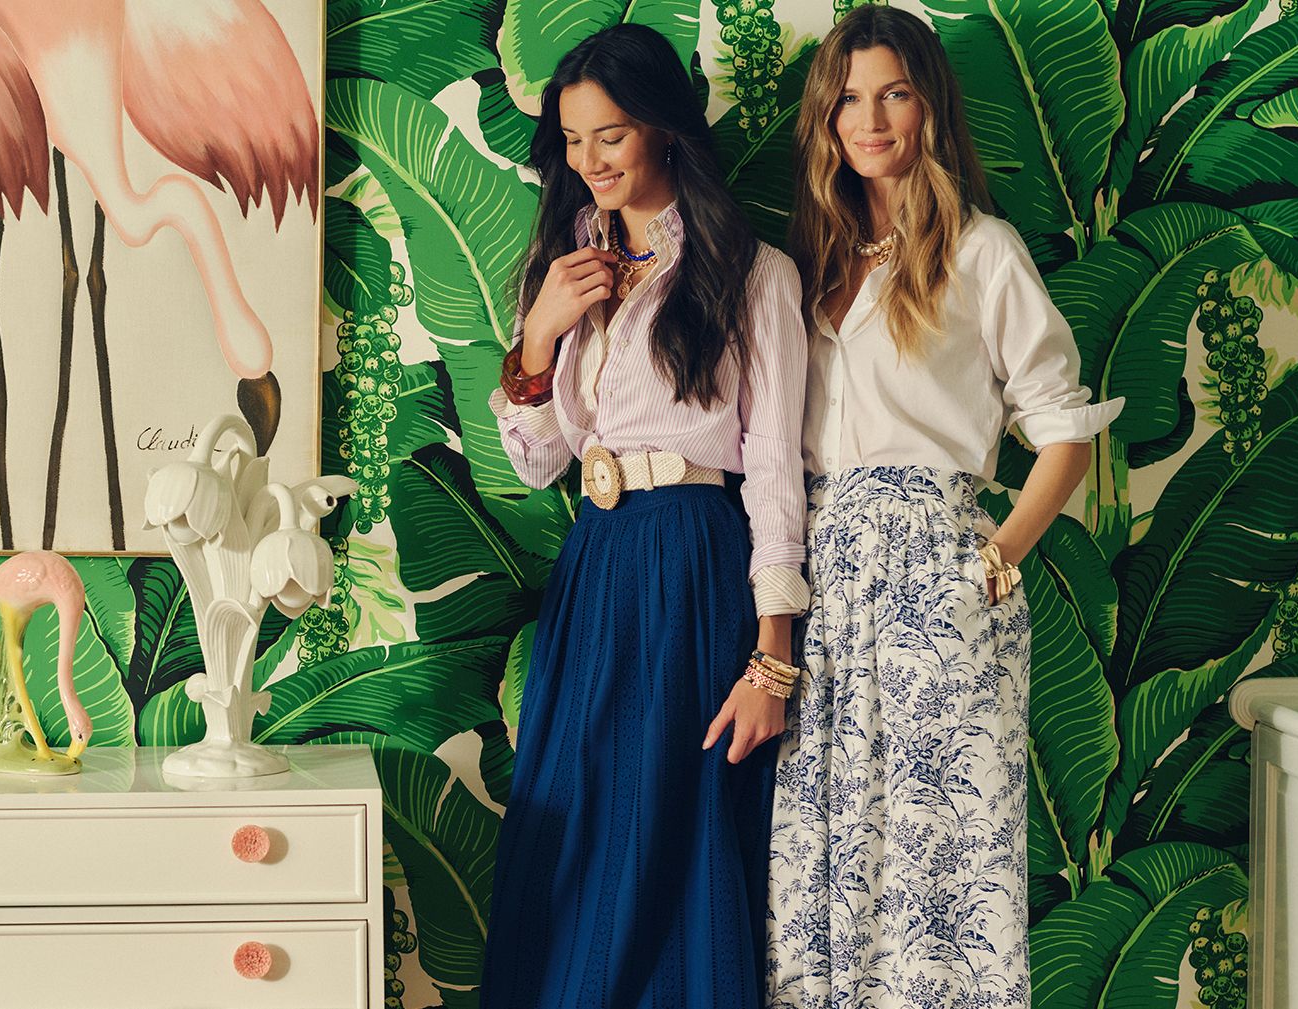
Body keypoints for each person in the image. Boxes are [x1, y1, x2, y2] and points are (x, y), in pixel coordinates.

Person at [765, 6, 1123, 1007]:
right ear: (825, 121)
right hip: (818, 581)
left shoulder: (981, 251)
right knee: (816, 851)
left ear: (930, 105)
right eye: (848, 98)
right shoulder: (810, 266)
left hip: (934, 572)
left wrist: (996, 557)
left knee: (937, 864)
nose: (870, 119)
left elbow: (1064, 430)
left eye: (895, 93)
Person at [478, 22, 810, 1009]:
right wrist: (538, 335)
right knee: (576, 822)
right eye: (574, 141)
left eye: (610, 136)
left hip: (695, 561)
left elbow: (775, 473)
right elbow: (539, 459)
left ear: (663, 127)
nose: (590, 162)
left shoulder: (755, 273)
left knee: (672, 831)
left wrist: (772, 660)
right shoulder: (567, 258)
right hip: (597, 564)